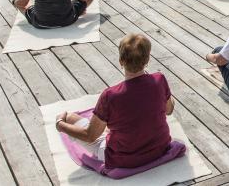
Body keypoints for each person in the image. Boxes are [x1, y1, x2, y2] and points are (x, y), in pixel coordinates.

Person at [55, 34, 175, 169]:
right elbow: (169, 110)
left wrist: (60, 125)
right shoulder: (159, 80)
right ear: (147, 59)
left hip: (124, 158)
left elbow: (90, 136)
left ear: (121, 61)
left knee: (70, 118)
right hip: (159, 149)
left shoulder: (110, 95)